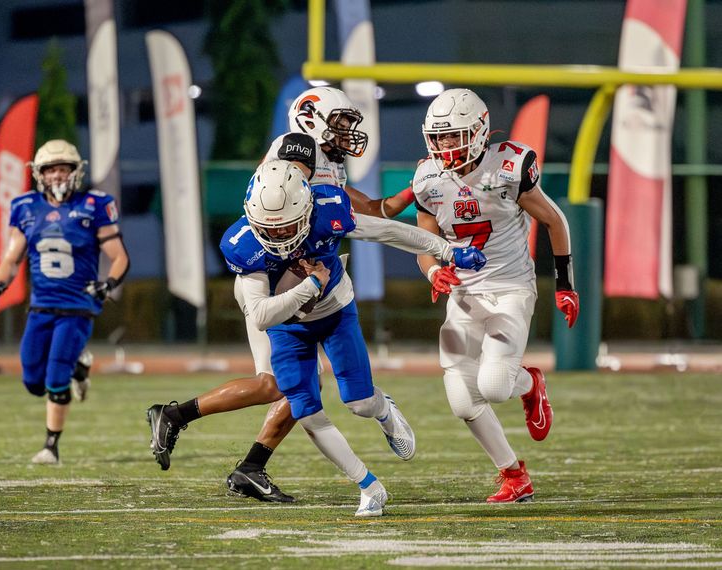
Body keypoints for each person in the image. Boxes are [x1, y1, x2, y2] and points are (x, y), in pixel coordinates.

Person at [146, 87, 418, 502]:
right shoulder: (291, 156)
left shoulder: (326, 163)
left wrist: (415, 189)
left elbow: (372, 211)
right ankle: (176, 416)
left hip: (292, 283)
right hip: (268, 281)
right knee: (276, 385)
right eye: (341, 123)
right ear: (311, 122)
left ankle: (249, 467)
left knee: (294, 386)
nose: (348, 132)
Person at [218, 159, 486, 515]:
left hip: (334, 311)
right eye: (270, 228)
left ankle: (384, 410)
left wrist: (447, 251)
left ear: (305, 209)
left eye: (287, 226)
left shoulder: (328, 210)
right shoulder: (243, 243)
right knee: (306, 411)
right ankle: (368, 486)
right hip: (286, 326)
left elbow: (387, 231)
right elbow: (262, 316)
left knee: (359, 403)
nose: (278, 236)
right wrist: (311, 284)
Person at [412, 88, 579, 503]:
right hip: (465, 295)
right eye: (438, 137)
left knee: (494, 385)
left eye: (454, 136)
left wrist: (564, 284)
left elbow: (555, 221)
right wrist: (433, 270)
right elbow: (424, 243)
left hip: (509, 289)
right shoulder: (428, 179)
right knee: (461, 399)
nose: (445, 146)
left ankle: (529, 383)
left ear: (479, 132)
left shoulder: (508, 166)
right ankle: (513, 475)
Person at [0, 139, 130, 465]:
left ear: (76, 171)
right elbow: (12, 258)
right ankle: (79, 367)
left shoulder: (94, 204)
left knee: (54, 378)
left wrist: (107, 284)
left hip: (78, 305)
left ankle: (51, 445)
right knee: (33, 381)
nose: (57, 175)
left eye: (63, 168)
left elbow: (119, 257)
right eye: (50, 170)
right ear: (39, 174)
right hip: (41, 305)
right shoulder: (25, 206)